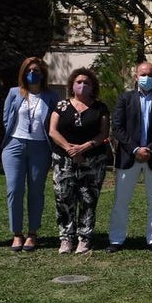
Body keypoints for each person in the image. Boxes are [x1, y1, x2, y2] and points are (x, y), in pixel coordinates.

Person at [108, 61, 152, 253]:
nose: (147, 78)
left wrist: (150, 149)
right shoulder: (125, 99)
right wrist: (135, 149)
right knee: (121, 200)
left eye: (151, 75)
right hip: (129, 157)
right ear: (136, 77)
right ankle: (116, 239)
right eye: (143, 74)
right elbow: (118, 127)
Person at [48, 68, 110, 254]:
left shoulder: (100, 108)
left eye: (87, 83)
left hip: (92, 161)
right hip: (64, 160)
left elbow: (103, 133)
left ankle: (85, 238)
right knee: (64, 199)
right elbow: (53, 130)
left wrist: (84, 148)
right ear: (72, 85)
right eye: (79, 82)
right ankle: (66, 238)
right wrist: (69, 148)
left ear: (93, 87)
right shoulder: (61, 106)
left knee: (88, 199)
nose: (82, 85)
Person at [0, 56, 59, 252]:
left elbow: (54, 122)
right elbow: (6, 119)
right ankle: (17, 233)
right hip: (14, 145)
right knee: (14, 189)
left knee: (36, 191)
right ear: (23, 73)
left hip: (40, 147)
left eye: (36, 71)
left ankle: (32, 233)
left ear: (43, 74)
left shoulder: (51, 96)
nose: (32, 74)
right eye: (28, 70)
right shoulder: (14, 93)